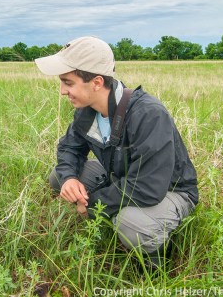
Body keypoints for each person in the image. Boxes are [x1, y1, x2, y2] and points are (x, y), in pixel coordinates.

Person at [34, 36, 198, 268]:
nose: (62, 91)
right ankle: (109, 209)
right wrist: (70, 179)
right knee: (58, 177)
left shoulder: (148, 114)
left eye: (68, 83)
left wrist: (92, 203)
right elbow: (70, 147)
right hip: (122, 175)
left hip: (170, 190)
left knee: (129, 222)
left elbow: (147, 187)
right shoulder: (87, 111)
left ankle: (155, 260)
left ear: (97, 82)